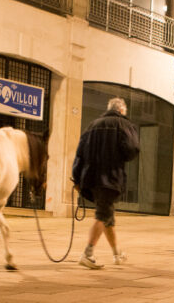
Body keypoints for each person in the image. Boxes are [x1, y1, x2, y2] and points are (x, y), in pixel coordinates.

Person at [72, 97, 140, 269]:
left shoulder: (93, 125)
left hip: (91, 178)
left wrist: (77, 178)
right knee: (102, 215)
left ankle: (117, 254)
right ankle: (87, 254)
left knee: (107, 214)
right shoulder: (123, 124)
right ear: (122, 110)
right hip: (109, 178)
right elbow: (132, 150)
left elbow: (79, 154)